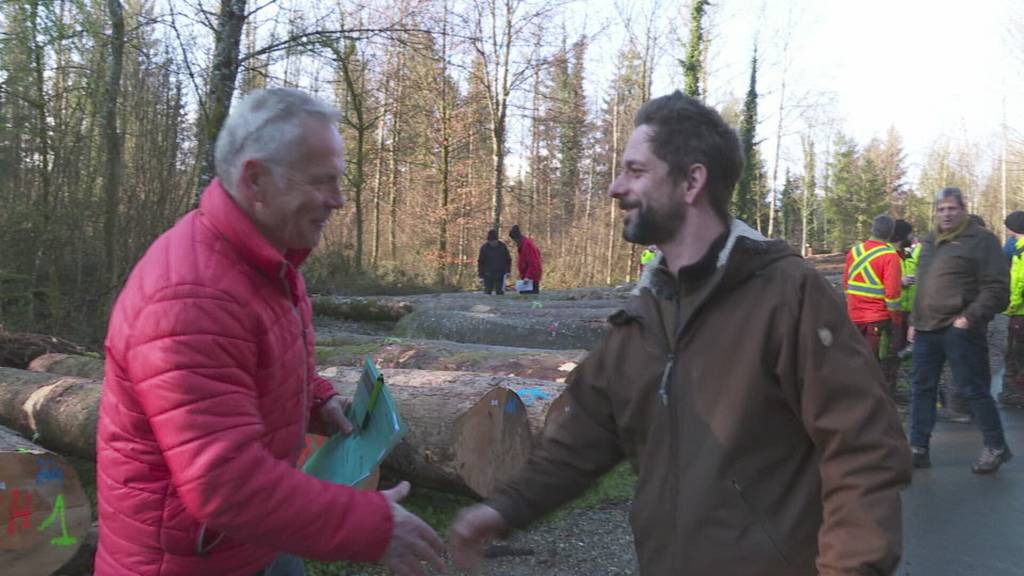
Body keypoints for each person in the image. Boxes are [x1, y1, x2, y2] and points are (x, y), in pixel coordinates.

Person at [449, 91, 910, 575]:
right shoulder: (649, 308)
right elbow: (589, 431)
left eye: (636, 170)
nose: (615, 187)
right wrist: (503, 509)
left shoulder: (786, 295)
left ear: (692, 181)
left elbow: (863, 452)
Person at [95, 88, 444, 576]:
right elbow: (224, 484)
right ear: (256, 179)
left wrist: (315, 399)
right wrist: (374, 526)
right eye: (323, 182)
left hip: (248, 543)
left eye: (339, 181)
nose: (339, 200)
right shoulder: (190, 295)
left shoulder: (266, 261)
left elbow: (252, 367)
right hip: (191, 561)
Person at [907, 187, 1013, 473]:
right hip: (926, 328)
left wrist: (968, 318)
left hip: (960, 328)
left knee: (973, 388)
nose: (946, 214)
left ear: (963, 209)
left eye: (952, 208)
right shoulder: (930, 241)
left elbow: (998, 289)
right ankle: (917, 447)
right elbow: (924, 286)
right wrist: (913, 322)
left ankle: (996, 447)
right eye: (941, 209)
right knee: (921, 389)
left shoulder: (981, 241)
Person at [843, 214, 903, 396]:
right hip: (877, 321)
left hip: (853, 317)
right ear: (891, 233)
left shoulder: (854, 251)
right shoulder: (890, 256)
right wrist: (897, 321)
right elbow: (892, 294)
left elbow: (847, 284)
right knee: (877, 363)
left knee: (855, 360)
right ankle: (877, 400)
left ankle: (852, 396)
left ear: (872, 229)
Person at [1000, 210, 1024, 407]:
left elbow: (1019, 283)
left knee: (1014, 354)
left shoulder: (1018, 250)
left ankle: (1014, 395)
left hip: (1020, 313)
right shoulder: (1015, 247)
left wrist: (1010, 307)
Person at [509, 224, 542, 293]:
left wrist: (528, 277)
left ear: (516, 238)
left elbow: (533, 263)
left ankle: (538, 304)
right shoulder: (524, 244)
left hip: (531, 278)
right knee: (526, 300)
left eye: (514, 240)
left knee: (532, 300)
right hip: (527, 277)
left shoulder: (527, 245)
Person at [477, 229, 511, 295]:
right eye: (490, 241)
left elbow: (508, 260)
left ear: (497, 240)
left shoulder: (503, 247)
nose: (492, 243)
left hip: (500, 274)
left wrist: (508, 271)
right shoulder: (484, 248)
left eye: (494, 241)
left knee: (500, 293)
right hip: (488, 274)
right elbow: (480, 262)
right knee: (487, 293)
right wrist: (480, 275)